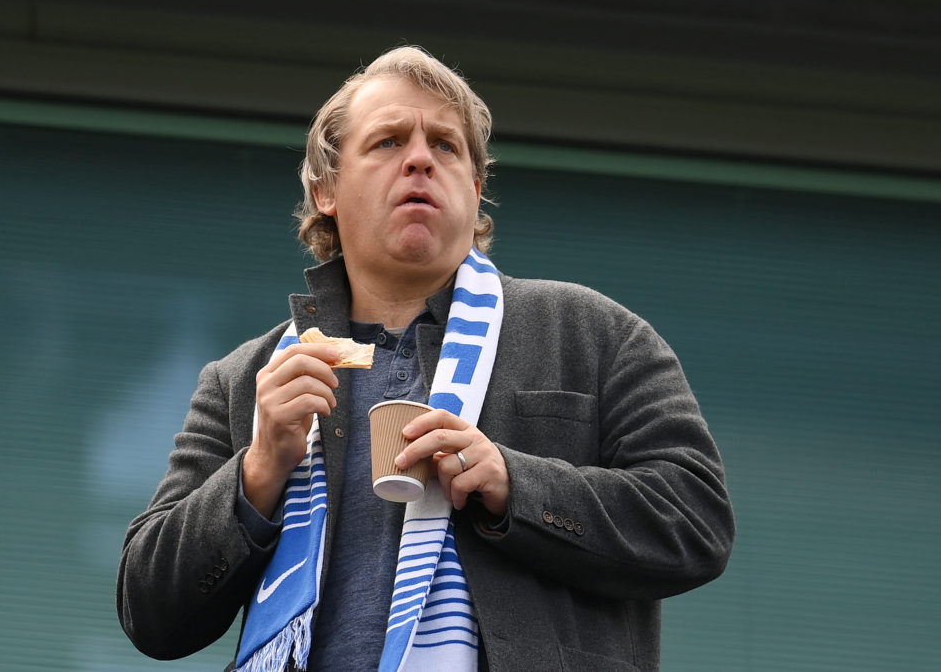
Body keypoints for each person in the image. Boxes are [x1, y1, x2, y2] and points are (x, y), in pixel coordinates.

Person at [117, 45, 734, 672]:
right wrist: (257, 473)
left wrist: (513, 483)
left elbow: (696, 520)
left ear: (473, 187)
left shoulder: (592, 334)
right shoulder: (245, 383)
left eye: (445, 145)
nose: (419, 159)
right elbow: (150, 614)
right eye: (387, 143)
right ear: (326, 188)